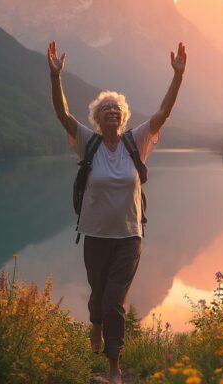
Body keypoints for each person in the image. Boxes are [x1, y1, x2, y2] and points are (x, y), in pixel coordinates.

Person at [47, 40, 186, 383]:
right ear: (97, 117)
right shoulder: (88, 142)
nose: (111, 111)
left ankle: (114, 368)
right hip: (94, 236)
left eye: (116, 109)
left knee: (113, 301)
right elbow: (63, 114)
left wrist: (178, 77)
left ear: (123, 117)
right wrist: (55, 78)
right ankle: (94, 325)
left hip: (128, 238)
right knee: (98, 298)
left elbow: (163, 113)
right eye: (105, 108)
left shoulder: (134, 141)